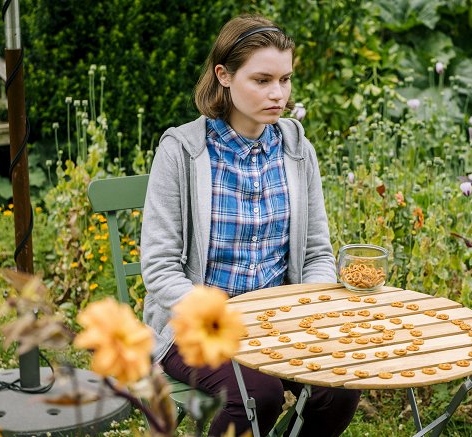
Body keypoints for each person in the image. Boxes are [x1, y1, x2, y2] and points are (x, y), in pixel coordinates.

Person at [140, 14, 360, 437]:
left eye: (285, 79)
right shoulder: (182, 152)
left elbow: (316, 252)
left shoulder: (297, 149)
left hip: (281, 324)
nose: (278, 94)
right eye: (262, 80)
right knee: (257, 393)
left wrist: (304, 309)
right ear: (224, 75)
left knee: (339, 389)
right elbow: (160, 270)